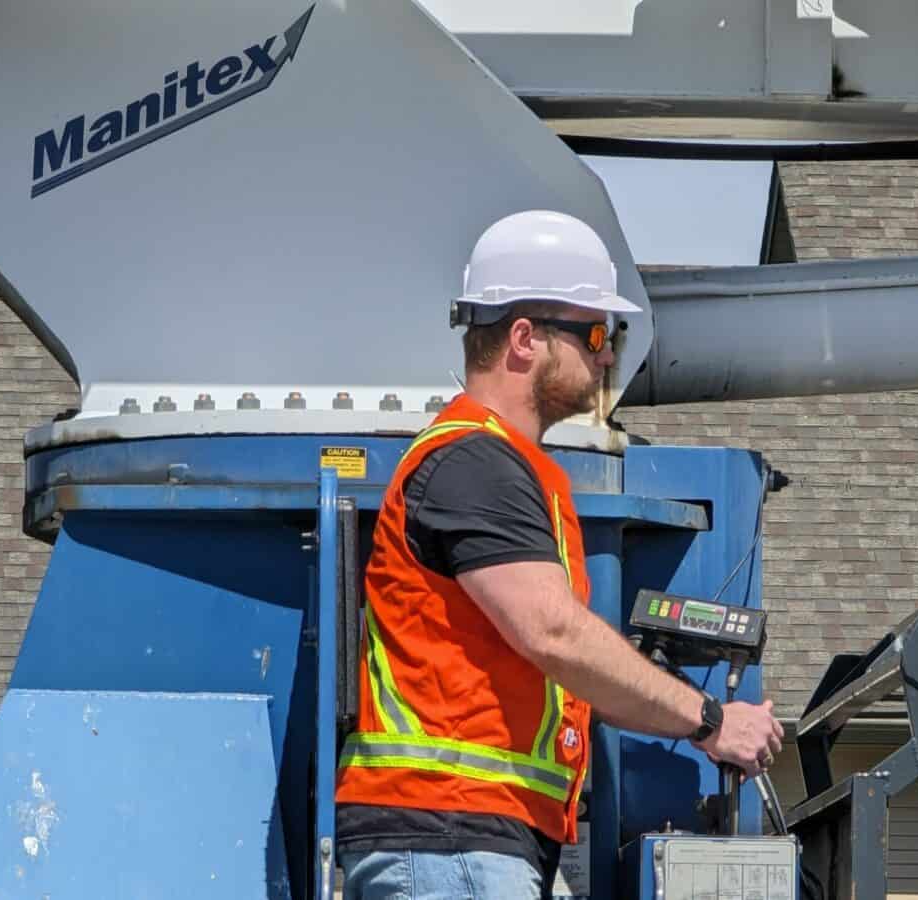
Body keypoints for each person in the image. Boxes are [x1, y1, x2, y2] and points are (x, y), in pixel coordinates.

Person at [335, 210, 783, 899]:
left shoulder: (502, 465)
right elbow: (552, 632)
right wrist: (712, 721)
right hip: (451, 833)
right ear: (524, 339)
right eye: (596, 333)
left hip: (470, 838)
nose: (607, 355)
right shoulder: (474, 462)